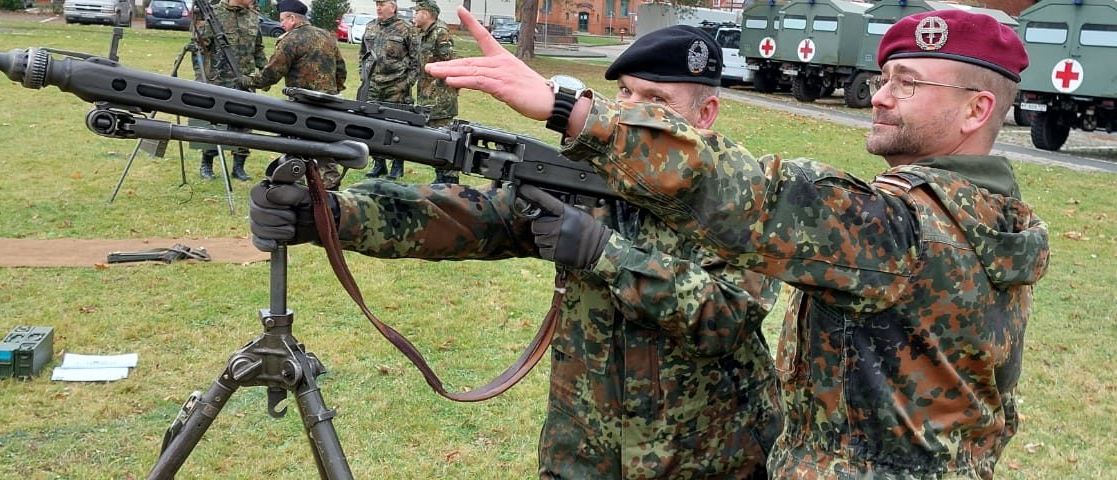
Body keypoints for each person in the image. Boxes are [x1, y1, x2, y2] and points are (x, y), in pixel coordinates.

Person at [425, 8, 1050, 479]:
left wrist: (573, 110)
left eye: (908, 84)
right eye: (885, 78)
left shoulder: (905, 228)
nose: (880, 97)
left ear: (976, 111)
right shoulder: (984, 214)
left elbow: (750, 196)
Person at [249, 25, 785, 479]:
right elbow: (472, 217)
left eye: (657, 102)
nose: (630, 113)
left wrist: (603, 253)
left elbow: (726, 317)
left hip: (708, 457)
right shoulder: (588, 179)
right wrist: (333, 216)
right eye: (624, 95)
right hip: (584, 452)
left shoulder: (742, 200)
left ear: (707, 113)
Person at [242, 0, 347, 189]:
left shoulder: (290, 39)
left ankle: (292, 185)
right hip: (328, 103)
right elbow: (341, 68)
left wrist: (250, 81)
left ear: (292, 18)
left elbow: (273, 72)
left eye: (282, 19)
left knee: (295, 144)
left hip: (302, 103)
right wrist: (334, 91)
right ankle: (331, 188)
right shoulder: (326, 36)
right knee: (325, 145)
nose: (281, 24)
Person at [194, 0, 266, 182]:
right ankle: (207, 164)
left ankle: (239, 167)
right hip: (218, 80)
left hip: (244, 79)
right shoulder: (214, 15)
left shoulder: (253, 17)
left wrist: (264, 72)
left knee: (245, 123)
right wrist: (202, 77)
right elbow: (200, 49)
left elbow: (258, 48)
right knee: (213, 123)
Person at [359, 0, 419, 180]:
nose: (378, 7)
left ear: (392, 7)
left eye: (382, 4)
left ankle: (397, 166)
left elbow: (416, 61)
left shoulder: (407, 29)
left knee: (396, 128)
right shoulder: (370, 27)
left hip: (396, 87)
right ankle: (378, 164)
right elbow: (363, 54)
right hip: (373, 86)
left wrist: (406, 83)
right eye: (377, 4)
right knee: (372, 125)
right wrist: (363, 76)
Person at [412, 0, 461, 184]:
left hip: (440, 97)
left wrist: (451, 89)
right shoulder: (424, 33)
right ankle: (441, 176)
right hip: (428, 96)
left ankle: (449, 180)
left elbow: (452, 62)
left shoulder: (440, 33)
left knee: (445, 138)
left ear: (426, 13)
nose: (414, 16)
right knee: (435, 139)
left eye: (416, 12)